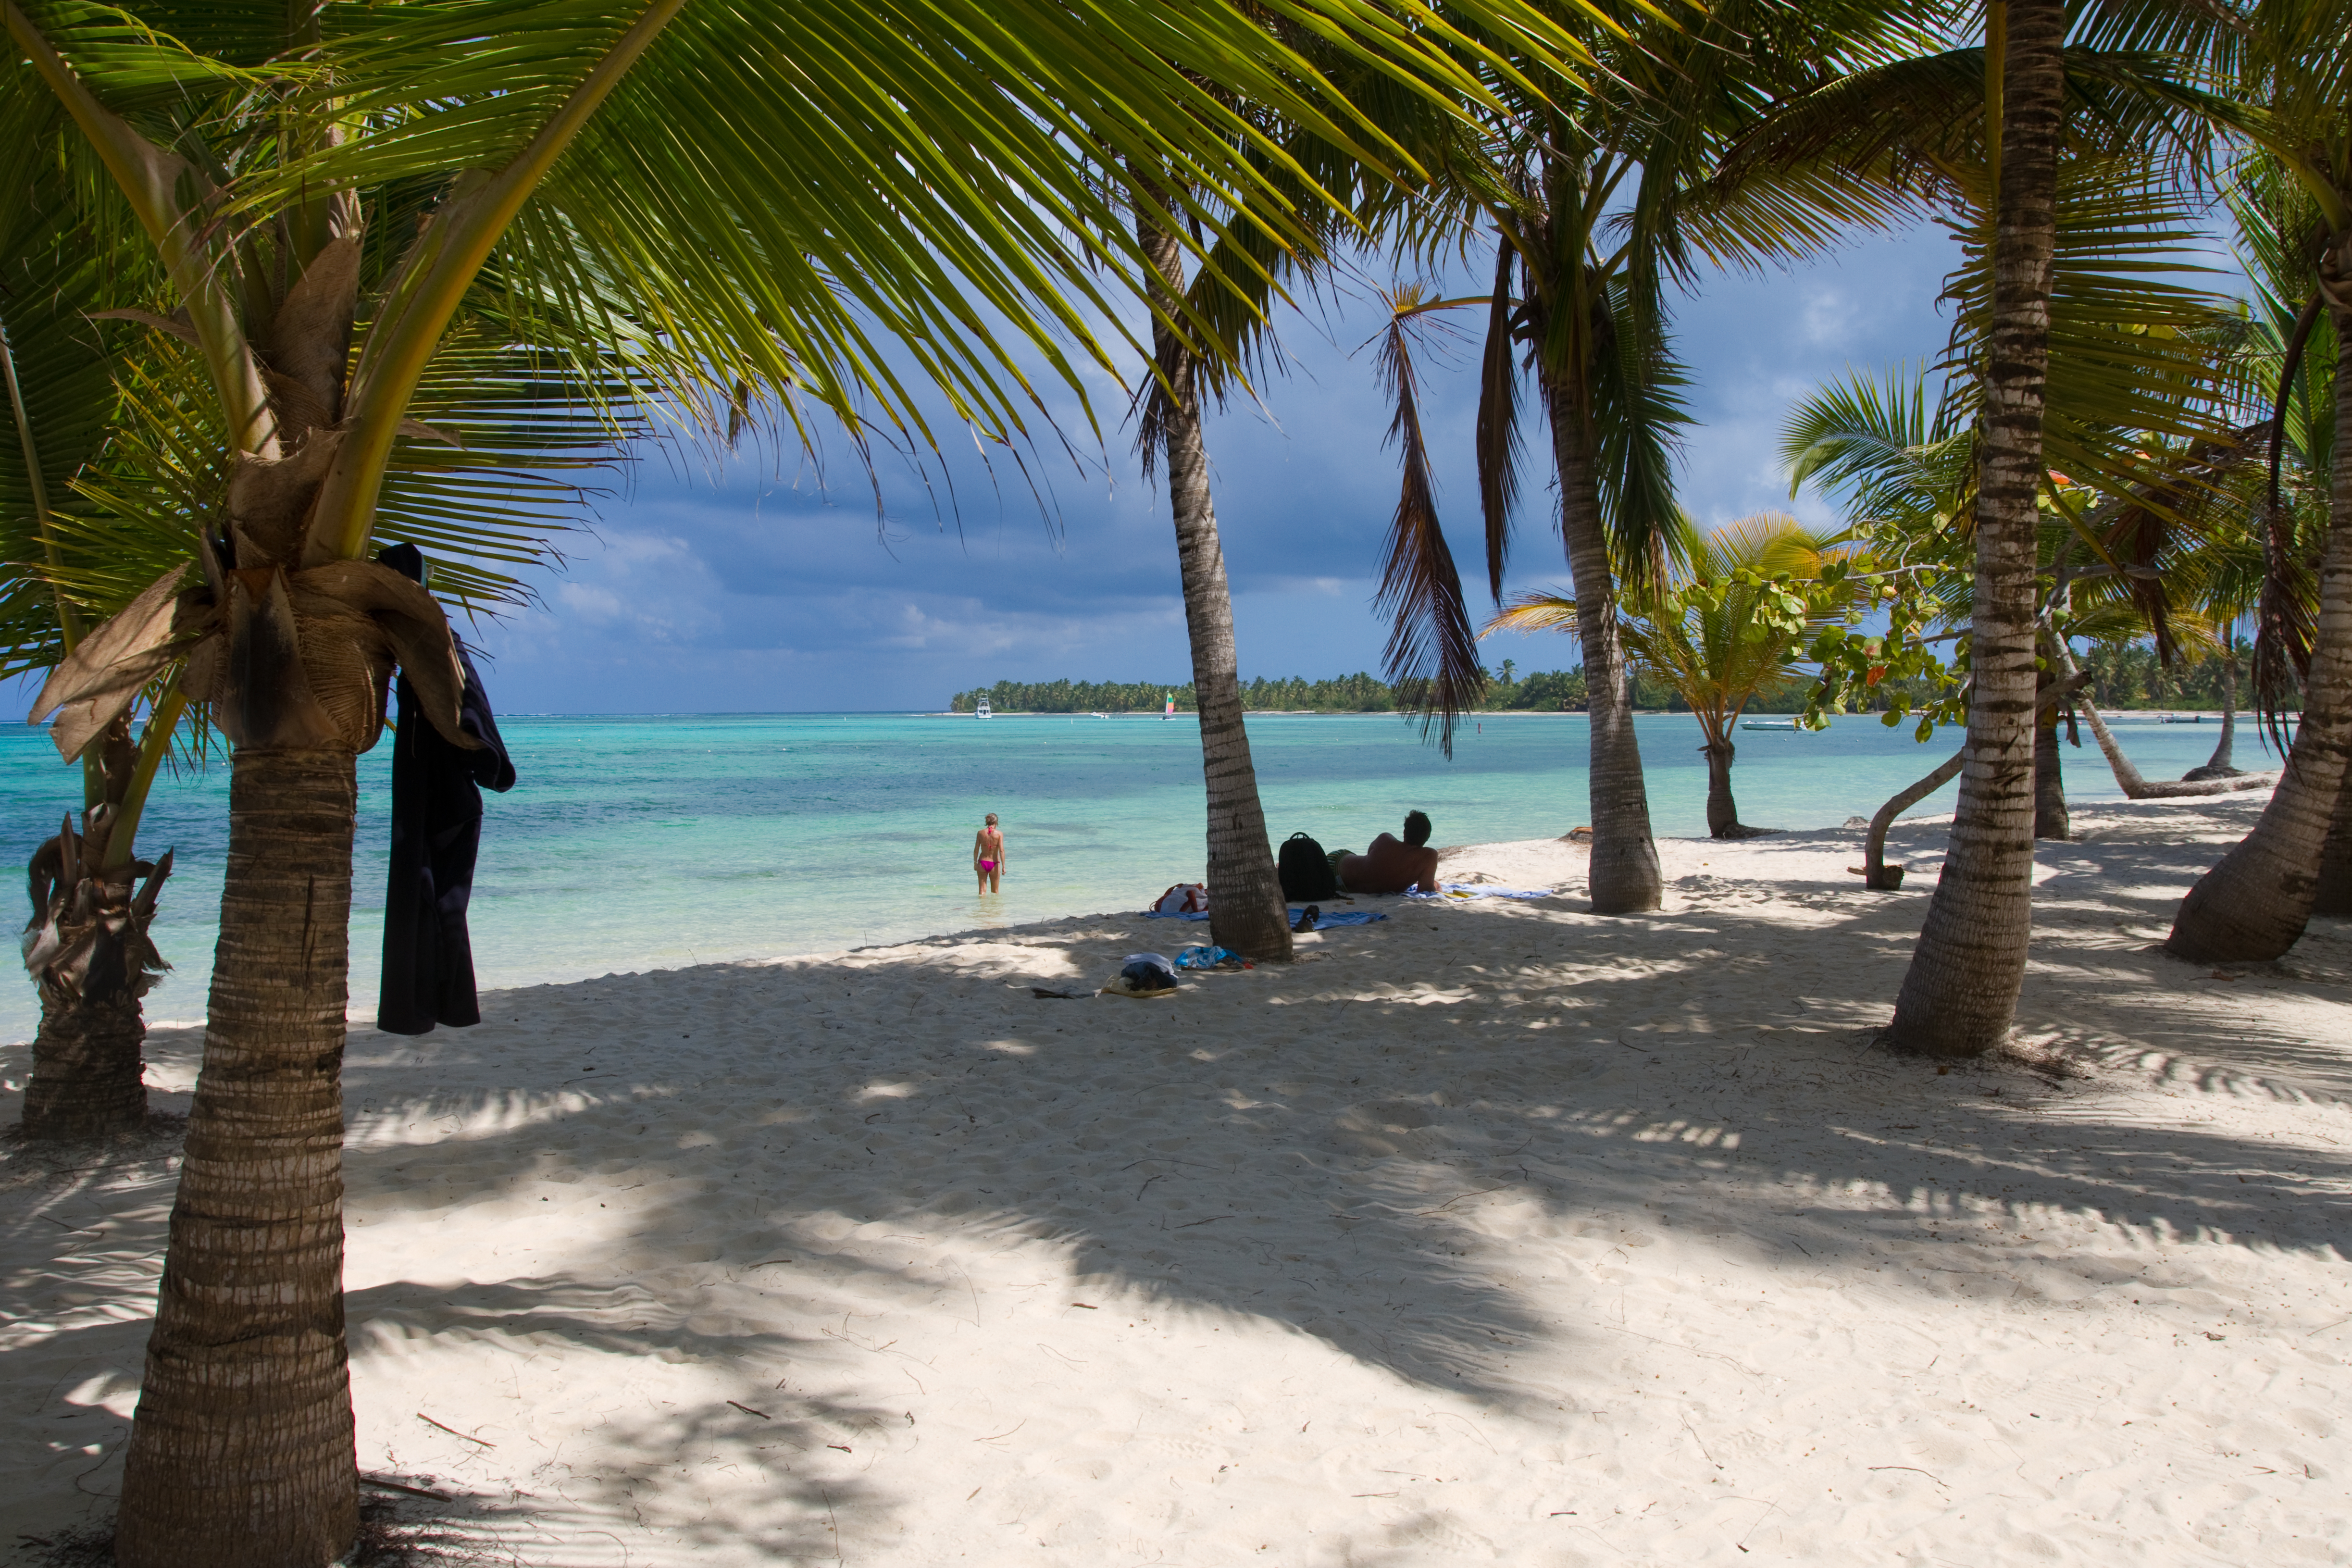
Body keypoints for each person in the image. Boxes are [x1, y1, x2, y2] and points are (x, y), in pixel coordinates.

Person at [1334, 809, 1440, 895]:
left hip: (1337, 866)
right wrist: (1436, 885)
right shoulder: (1428, 856)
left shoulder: (1385, 839)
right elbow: (1425, 890)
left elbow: (1370, 856)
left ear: (1405, 832)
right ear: (1428, 836)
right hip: (1340, 875)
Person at [973, 812, 1007, 893]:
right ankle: (995, 906)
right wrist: (1004, 866)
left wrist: (975, 863)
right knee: (995, 891)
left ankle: (982, 905)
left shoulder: (980, 833)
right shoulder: (999, 834)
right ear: (996, 822)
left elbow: (976, 850)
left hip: (982, 862)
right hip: (994, 863)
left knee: (982, 891)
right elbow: (1002, 851)